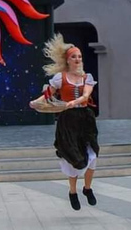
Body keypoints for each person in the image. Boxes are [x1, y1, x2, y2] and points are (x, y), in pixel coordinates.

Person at [36, 34, 99, 211]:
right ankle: (73, 192)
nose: (77, 59)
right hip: (68, 121)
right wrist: (37, 101)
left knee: (92, 155)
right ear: (68, 60)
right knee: (73, 158)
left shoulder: (87, 77)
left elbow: (86, 95)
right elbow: (49, 93)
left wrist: (74, 102)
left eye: (79, 56)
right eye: (74, 56)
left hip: (85, 118)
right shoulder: (60, 78)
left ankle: (87, 188)